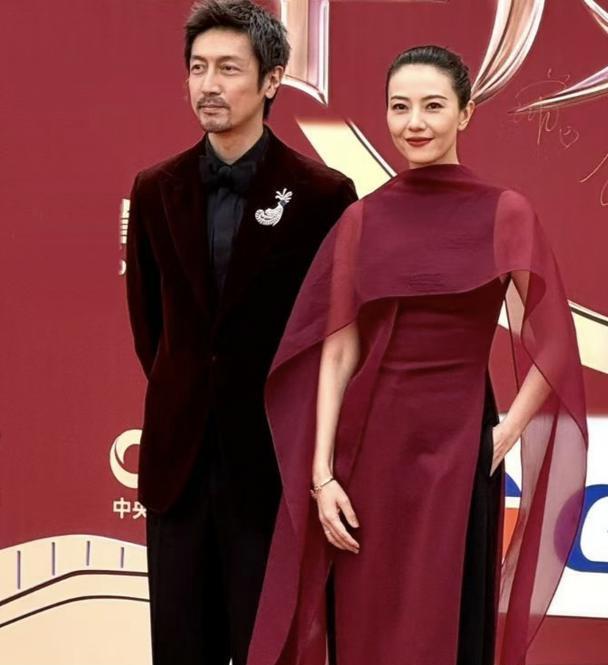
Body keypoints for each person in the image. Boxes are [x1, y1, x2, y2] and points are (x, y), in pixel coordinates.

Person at [247, 46, 588, 665]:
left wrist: (503, 434)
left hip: (461, 448)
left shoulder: (505, 211)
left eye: (433, 106)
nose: (415, 123)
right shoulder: (362, 219)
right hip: (369, 453)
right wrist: (322, 475)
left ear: (466, 113)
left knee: (448, 623)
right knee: (367, 622)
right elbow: (338, 352)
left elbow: (558, 345)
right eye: (400, 107)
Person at [125, 1, 356, 663]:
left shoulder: (323, 195)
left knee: (270, 649)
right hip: (178, 468)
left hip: (272, 468)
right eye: (198, 68)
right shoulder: (155, 188)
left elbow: (334, 333)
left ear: (272, 79)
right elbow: (151, 326)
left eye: (228, 68)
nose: (209, 84)